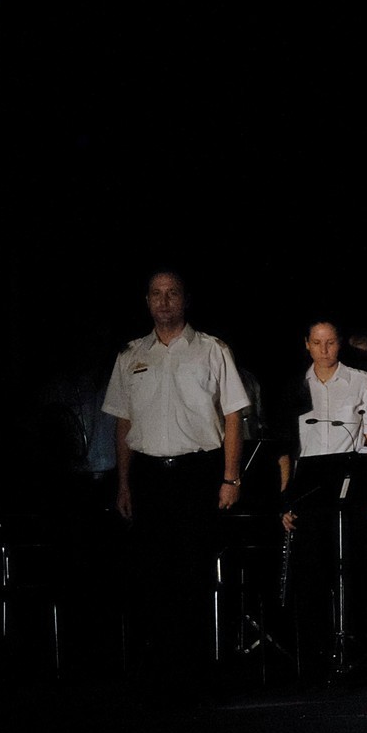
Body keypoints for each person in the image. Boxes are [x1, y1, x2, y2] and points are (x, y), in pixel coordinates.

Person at [100, 269, 250, 687]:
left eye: (172, 293)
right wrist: (124, 483)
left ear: (185, 299)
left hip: (196, 473)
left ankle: (194, 674)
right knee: (152, 576)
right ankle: (159, 673)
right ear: (147, 302)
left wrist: (231, 478)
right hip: (149, 475)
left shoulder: (212, 350)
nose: (164, 301)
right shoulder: (131, 354)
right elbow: (123, 422)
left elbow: (233, 414)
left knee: (192, 575)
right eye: (156, 294)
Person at [273, 320, 367, 684]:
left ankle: (359, 653)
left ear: (340, 344)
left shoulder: (359, 380)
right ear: (307, 345)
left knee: (355, 571)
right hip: (309, 491)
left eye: (331, 342)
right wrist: (286, 498)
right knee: (311, 576)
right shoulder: (295, 386)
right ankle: (315, 658)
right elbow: (285, 449)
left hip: (350, 487)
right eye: (317, 343)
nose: (324, 350)